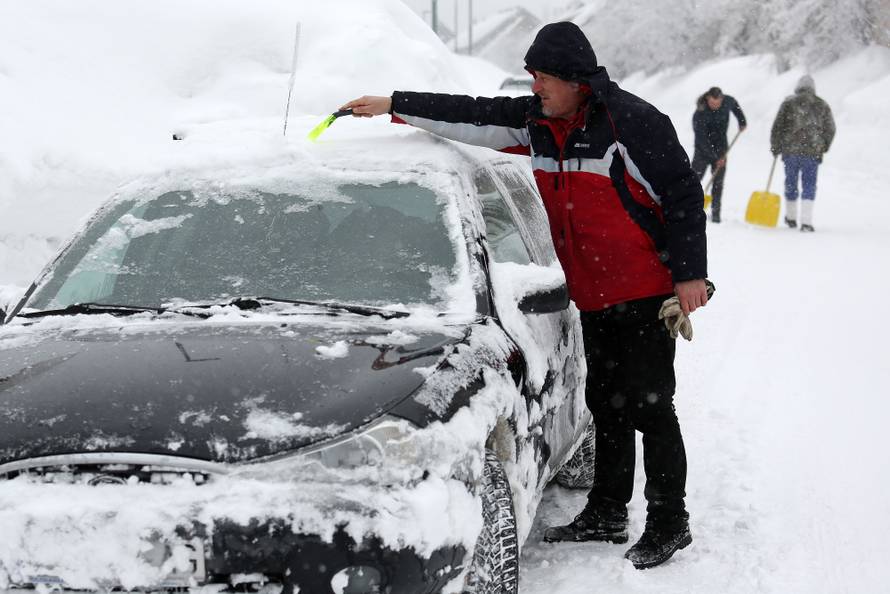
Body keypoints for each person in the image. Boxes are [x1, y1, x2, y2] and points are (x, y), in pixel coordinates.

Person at [342, 21, 709, 570]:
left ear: (577, 81)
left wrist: (690, 276)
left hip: (644, 290)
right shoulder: (537, 123)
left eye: (542, 79)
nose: (534, 88)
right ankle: (607, 511)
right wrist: (392, 103)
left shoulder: (631, 124)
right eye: (532, 78)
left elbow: (682, 197)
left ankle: (669, 521)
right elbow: (470, 113)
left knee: (650, 407)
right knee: (603, 403)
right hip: (592, 293)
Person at [770, 75, 836, 232]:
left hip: (791, 151)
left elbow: (778, 126)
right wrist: (823, 146)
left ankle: (791, 218)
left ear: (798, 87)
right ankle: (806, 222)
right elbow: (830, 129)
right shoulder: (822, 105)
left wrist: (775, 146)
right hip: (812, 152)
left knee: (791, 183)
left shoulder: (788, 103)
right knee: (809, 184)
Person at [691, 87, 747, 223]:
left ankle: (716, 214)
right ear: (708, 98)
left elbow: (734, 104)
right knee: (694, 179)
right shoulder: (700, 113)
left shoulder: (727, 101)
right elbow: (701, 139)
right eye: (712, 103)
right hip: (702, 150)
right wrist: (716, 158)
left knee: (718, 183)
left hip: (721, 147)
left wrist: (742, 120)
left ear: (721, 99)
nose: (715, 106)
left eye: (718, 103)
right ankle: (689, 209)